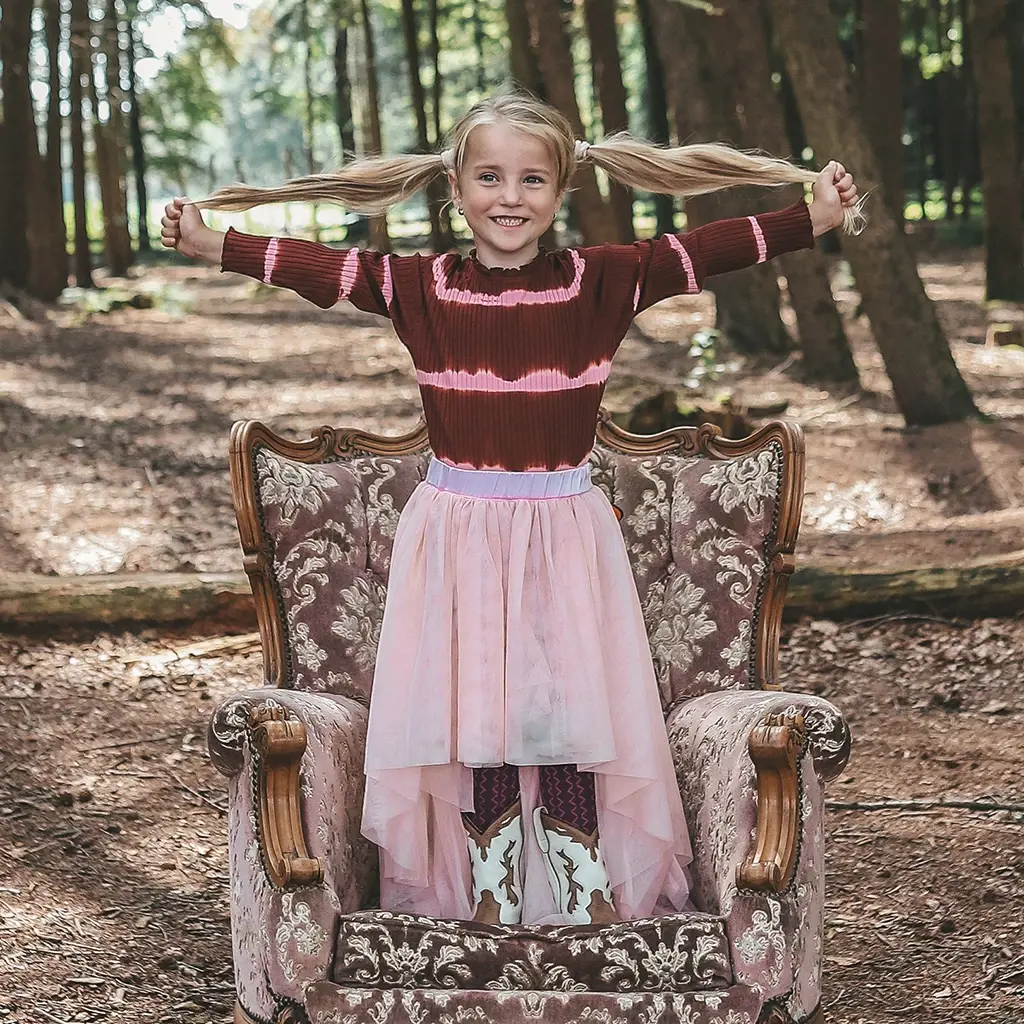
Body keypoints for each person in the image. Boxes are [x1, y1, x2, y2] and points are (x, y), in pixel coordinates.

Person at [162, 91, 860, 928]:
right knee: (479, 714)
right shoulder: (420, 287)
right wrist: (211, 244)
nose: (509, 196)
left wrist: (810, 220)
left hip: (565, 537)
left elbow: (702, 252)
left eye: (532, 179)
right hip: (455, 536)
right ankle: (488, 882)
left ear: (561, 191)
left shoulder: (602, 280)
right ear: (453, 188)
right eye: (488, 176)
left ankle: (578, 879)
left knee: (560, 712)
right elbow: (320, 269)